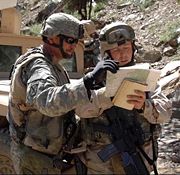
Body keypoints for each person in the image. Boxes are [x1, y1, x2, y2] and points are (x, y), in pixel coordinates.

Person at [7, 13, 119, 174]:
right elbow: (48, 102)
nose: (74, 46)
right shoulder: (38, 67)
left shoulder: (53, 65)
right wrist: (87, 81)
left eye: (76, 41)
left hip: (47, 155)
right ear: (52, 38)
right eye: (70, 40)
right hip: (35, 159)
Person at [76, 22, 172, 174]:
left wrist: (144, 106)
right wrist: (105, 95)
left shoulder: (144, 77)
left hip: (139, 158)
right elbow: (80, 110)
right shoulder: (93, 78)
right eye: (117, 50)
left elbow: (165, 113)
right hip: (101, 167)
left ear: (133, 48)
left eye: (126, 48)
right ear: (107, 53)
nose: (123, 54)